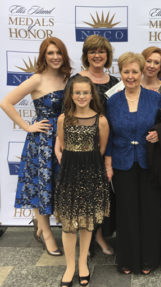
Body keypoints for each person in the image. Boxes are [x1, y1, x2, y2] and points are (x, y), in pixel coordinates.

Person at [0, 37, 71, 256]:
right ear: (43, 56)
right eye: (50, 53)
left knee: (60, 186)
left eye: (58, 52)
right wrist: (27, 126)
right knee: (42, 186)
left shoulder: (67, 77)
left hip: (65, 138)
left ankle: (42, 226)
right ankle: (46, 233)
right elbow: (6, 102)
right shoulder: (37, 80)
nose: (55, 57)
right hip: (42, 142)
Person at [56, 34, 118, 256]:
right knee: (77, 198)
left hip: (102, 146)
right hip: (76, 151)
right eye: (92, 51)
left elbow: (114, 119)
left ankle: (98, 237)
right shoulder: (76, 80)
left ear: (107, 56)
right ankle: (82, 248)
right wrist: (59, 146)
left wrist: (105, 157)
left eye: (101, 51)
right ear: (86, 55)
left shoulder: (115, 83)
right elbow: (66, 115)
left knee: (98, 198)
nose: (97, 55)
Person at [105, 52, 161, 275]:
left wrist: (159, 134)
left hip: (149, 162)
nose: (131, 76)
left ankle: (150, 259)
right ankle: (127, 260)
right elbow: (108, 134)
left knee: (150, 211)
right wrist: (108, 163)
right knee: (126, 212)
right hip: (122, 163)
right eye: (126, 72)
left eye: (135, 72)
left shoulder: (155, 98)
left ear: (142, 73)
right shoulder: (112, 101)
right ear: (120, 73)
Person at [54, 75, 110, 287]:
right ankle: (69, 267)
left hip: (92, 174)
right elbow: (64, 145)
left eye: (85, 92)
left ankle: (83, 263)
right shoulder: (63, 119)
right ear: (71, 95)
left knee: (86, 222)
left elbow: (102, 149)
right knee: (68, 223)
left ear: (91, 94)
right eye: (77, 92)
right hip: (69, 174)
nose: (81, 96)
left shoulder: (101, 120)